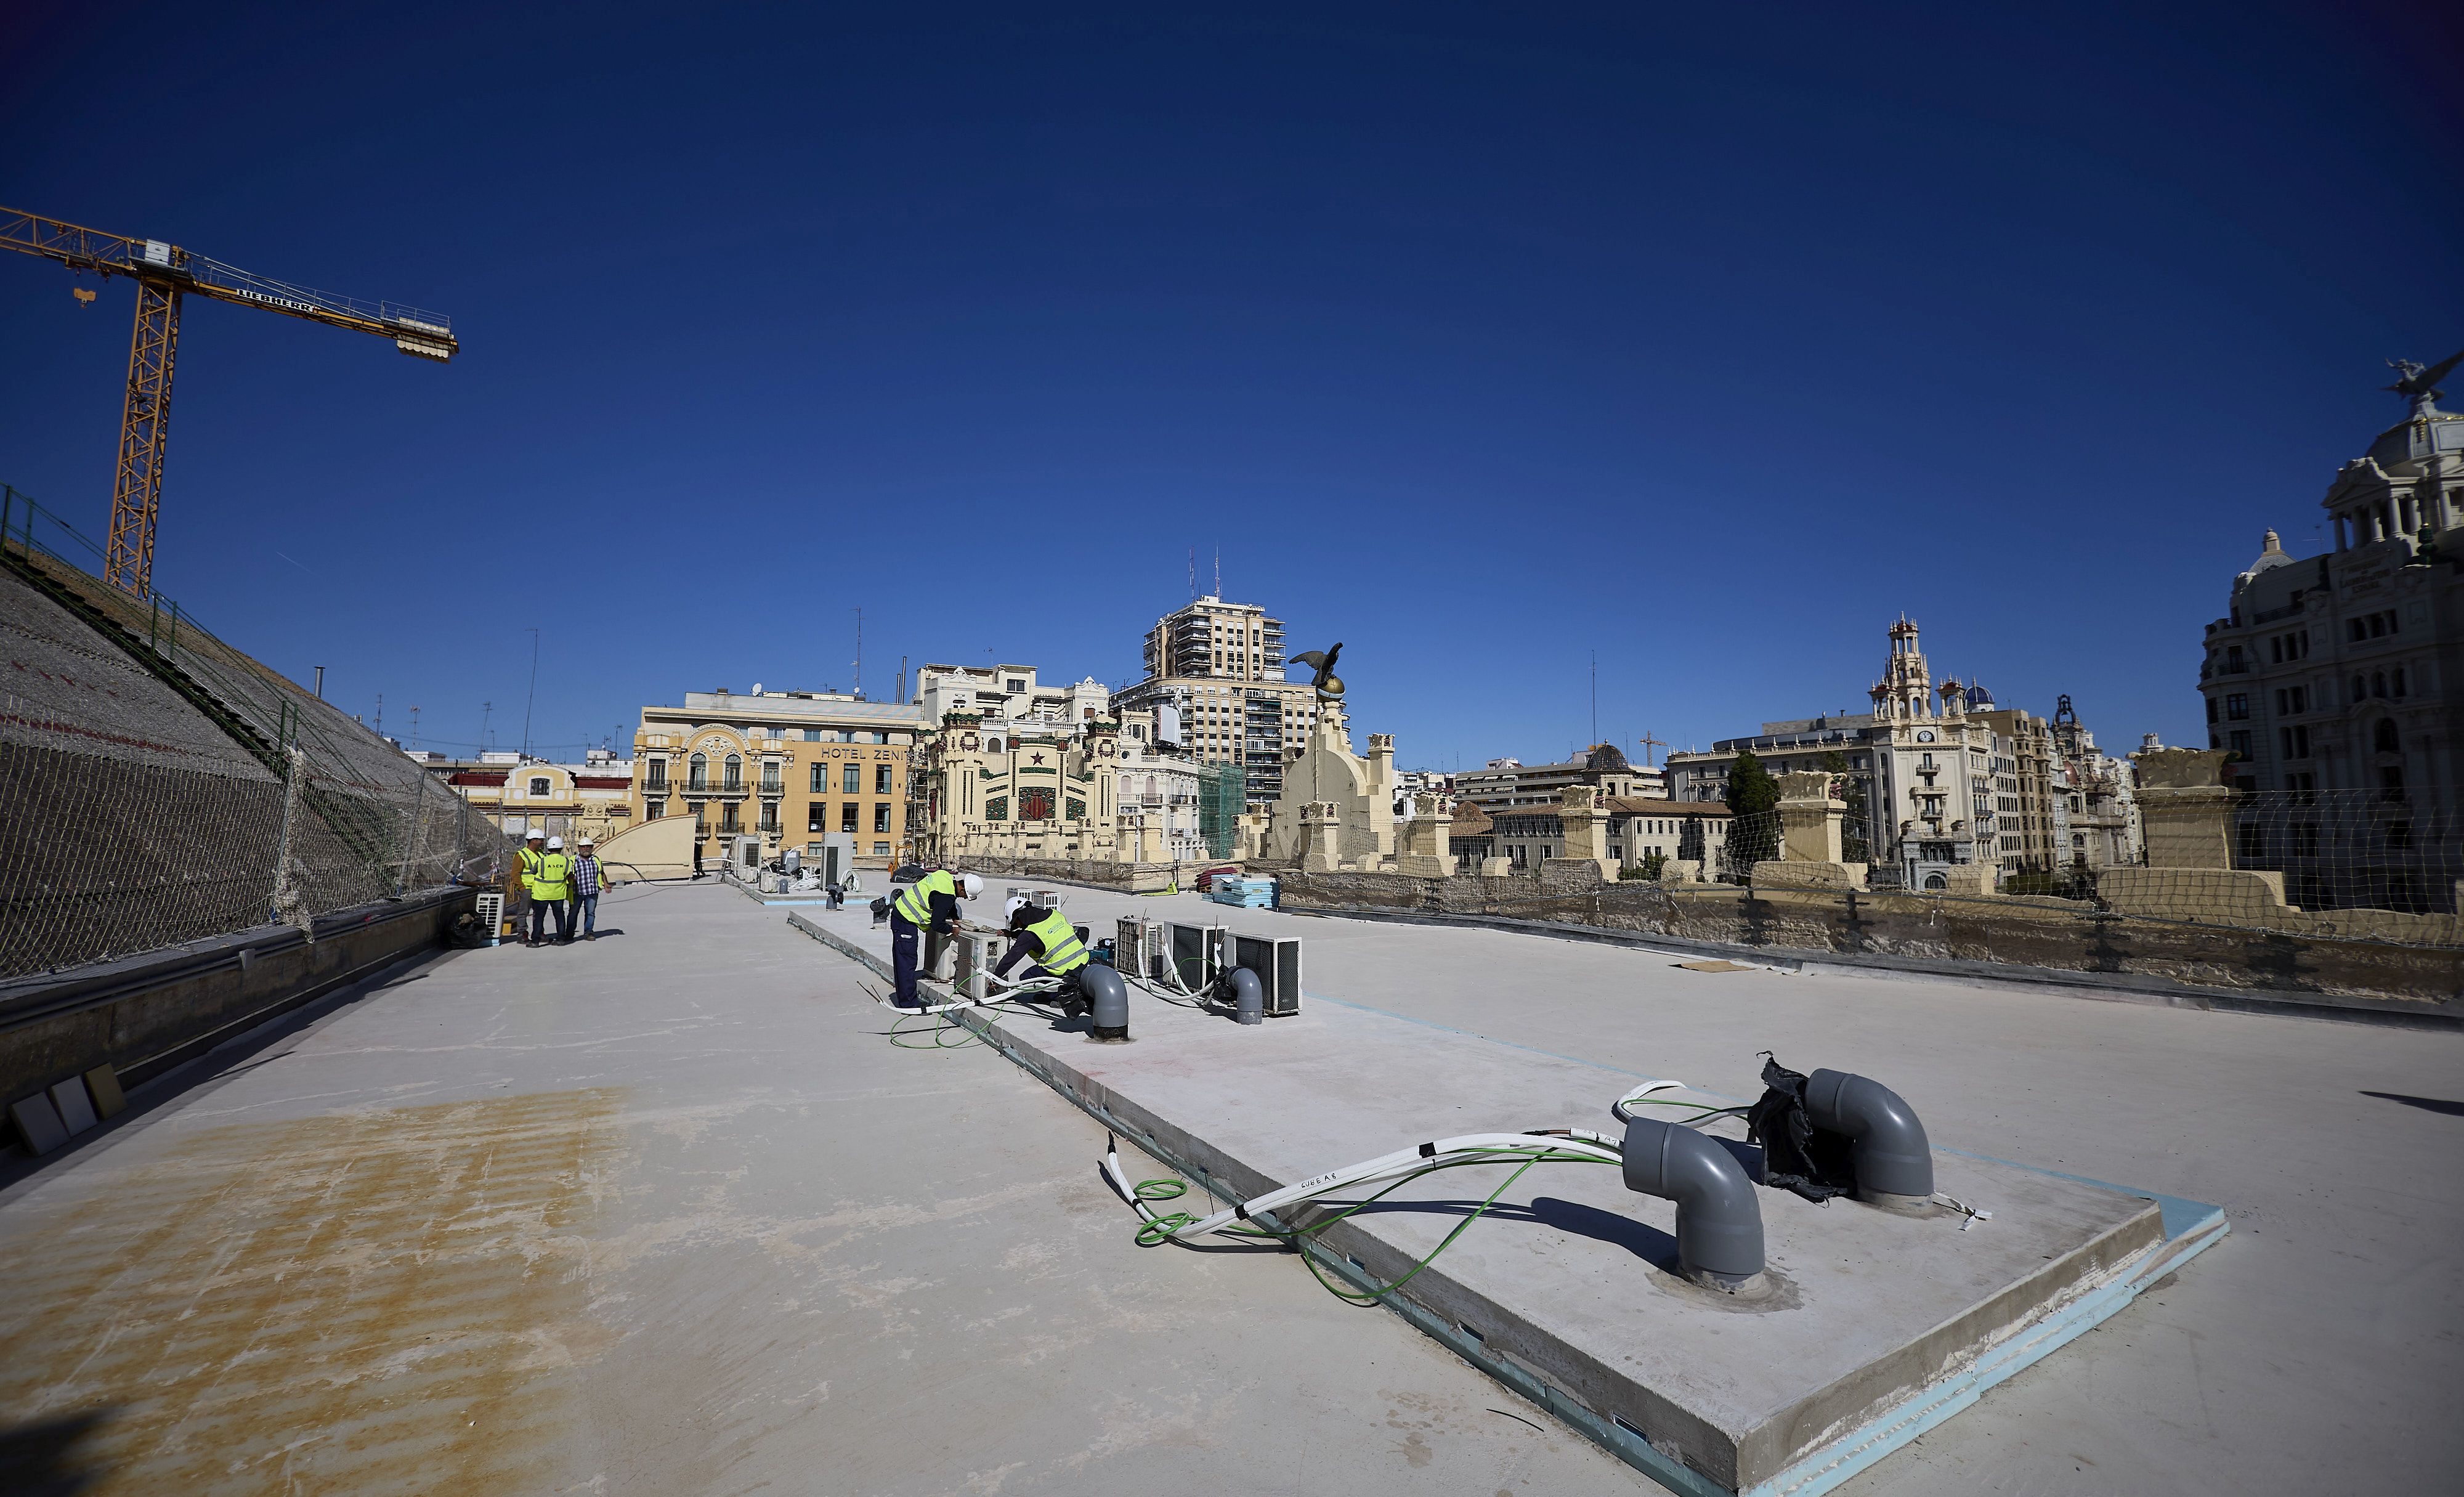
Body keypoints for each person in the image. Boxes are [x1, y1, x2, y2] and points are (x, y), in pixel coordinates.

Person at [889, 867, 979, 1010]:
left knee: (903, 962)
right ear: (962, 889)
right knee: (907, 963)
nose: (963, 898)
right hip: (906, 920)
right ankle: (909, 1005)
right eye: (965, 896)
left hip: (901, 914)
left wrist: (955, 918)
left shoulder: (946, 877)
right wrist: (952, 930)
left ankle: (905, 999)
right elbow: (937, 924)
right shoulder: (947, 896)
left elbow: (945, 899)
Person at [992, 903, 1093, 1015]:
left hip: (1063, 971)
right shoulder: (1054, 914)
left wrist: (995, 977)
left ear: (1019, 917)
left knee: (1026, 978)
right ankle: (1055, 991)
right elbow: (1043, 933)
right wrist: (1012, 934)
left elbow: (1011, 958)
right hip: (1083, 962)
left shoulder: (1029, 935)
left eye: (1017, 922)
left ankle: (1059, 995)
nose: (1019, 926)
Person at [529, 835, 574, 946]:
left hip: (542, 894)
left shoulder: (542, 861)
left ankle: (535, 941)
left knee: (539, 918)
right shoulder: (566, 861)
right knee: (559, 917)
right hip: (558, 894)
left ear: (549, 848)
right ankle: (560, 939)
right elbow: (569, 874)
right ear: (561, 848)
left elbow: (533, 872)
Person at [569, 836, 612, 941]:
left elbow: (601, 873)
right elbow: (567, 873)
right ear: (579, 848)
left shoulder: (596, 860)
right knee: (573, 913)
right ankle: (569, 933)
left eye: (588, 847)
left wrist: (606, 884)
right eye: (583, 847)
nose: (586, 849)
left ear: (592, 848)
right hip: (577, 892)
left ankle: (588, 932)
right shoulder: (573, 860)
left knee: (590, 913)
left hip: (592, 892)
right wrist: (572, 878)